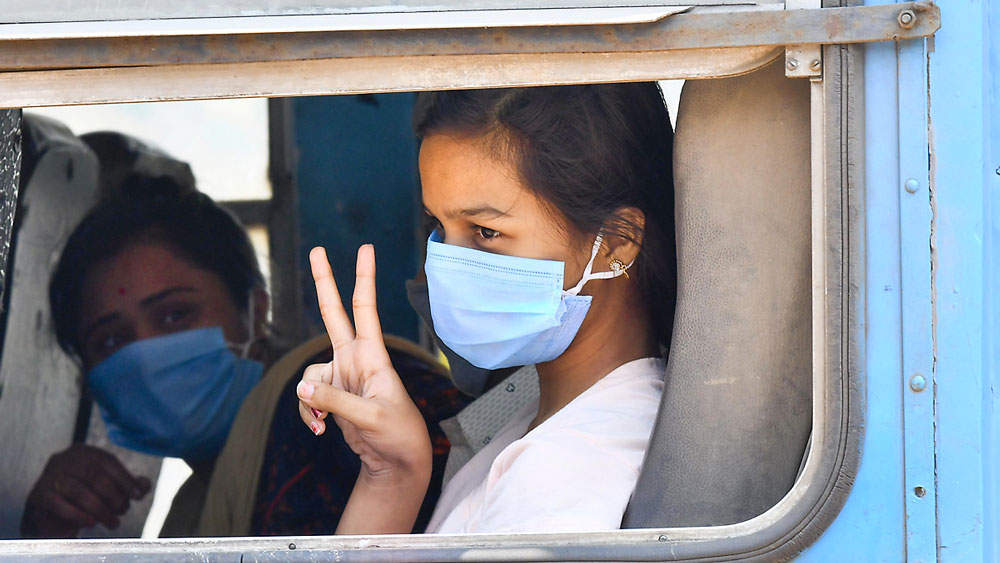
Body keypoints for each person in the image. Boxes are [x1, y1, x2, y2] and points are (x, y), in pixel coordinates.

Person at [296, 83, 676, 534]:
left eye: (485, 232)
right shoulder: (540, 423)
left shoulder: (567, 472)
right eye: (439, 224)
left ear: (616, 243)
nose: (447, 265)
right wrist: (393, 475)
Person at [21, 178, 468, 538]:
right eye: (112, 341)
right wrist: (49, 533)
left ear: (255, 310)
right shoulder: (200, 500)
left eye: (175, 315)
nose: (145, 355)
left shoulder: (347, 414)